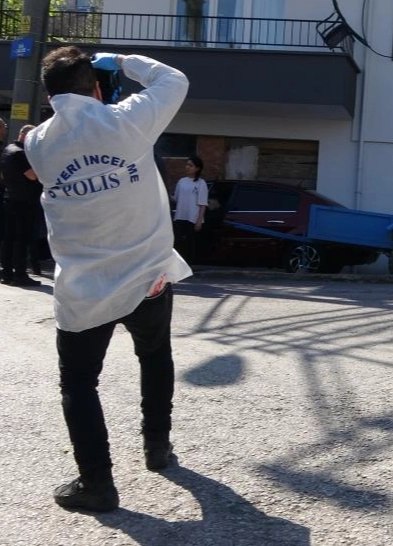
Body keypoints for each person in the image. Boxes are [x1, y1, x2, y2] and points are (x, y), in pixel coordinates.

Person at [24, 46, 190, 512]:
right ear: (96, 89)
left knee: (79, 383)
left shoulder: (39, 143)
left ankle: (97, 484)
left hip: (85, 289)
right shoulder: (128, 121)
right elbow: (174, 80)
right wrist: (120, 61)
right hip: (148, 278)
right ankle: (157, 447)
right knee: (154, 357)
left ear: (50, 96)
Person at [1, 124, 42, 287]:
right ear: (25, 135)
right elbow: (32, 176)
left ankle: (6, 273)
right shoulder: (20, 153)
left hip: (10, 198)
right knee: (21, 239)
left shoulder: (7, 150)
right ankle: (20, 275)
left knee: (9, 238)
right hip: (24, 201)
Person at [171, 155, 208, 263]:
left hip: (192, 218)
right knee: (179, 243)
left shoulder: (201, 183)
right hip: (180, 217)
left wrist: (199, 221)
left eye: (191, 165)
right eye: (187, 165)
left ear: (197, 168)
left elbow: (202, 204)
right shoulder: (181, 181)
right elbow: (175, 198)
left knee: (190, 244)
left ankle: (190, 264)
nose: (187, 167)